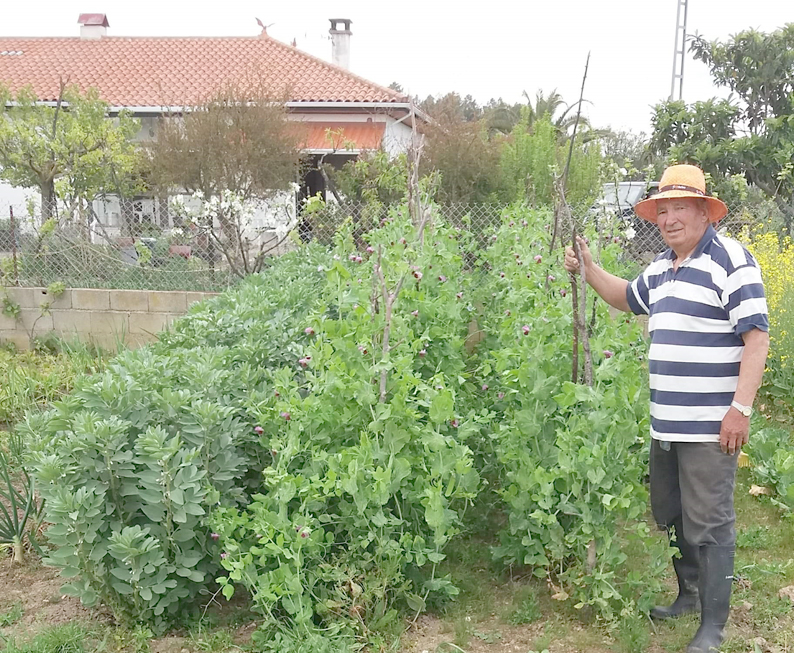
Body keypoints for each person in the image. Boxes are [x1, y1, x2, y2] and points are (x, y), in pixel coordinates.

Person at [564, 164, 769, 653]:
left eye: (680, 207)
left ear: (703, 210)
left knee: (711, 520)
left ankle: (713, 628)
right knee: (673, 512)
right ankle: (689, 595)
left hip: (710, 426)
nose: (669, 218)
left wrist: (740, 409)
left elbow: (757, 338)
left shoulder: (731, 261)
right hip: (667, 423)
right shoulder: (661, 268)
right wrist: (589, 268)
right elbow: (625, 296)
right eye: (662, 209)